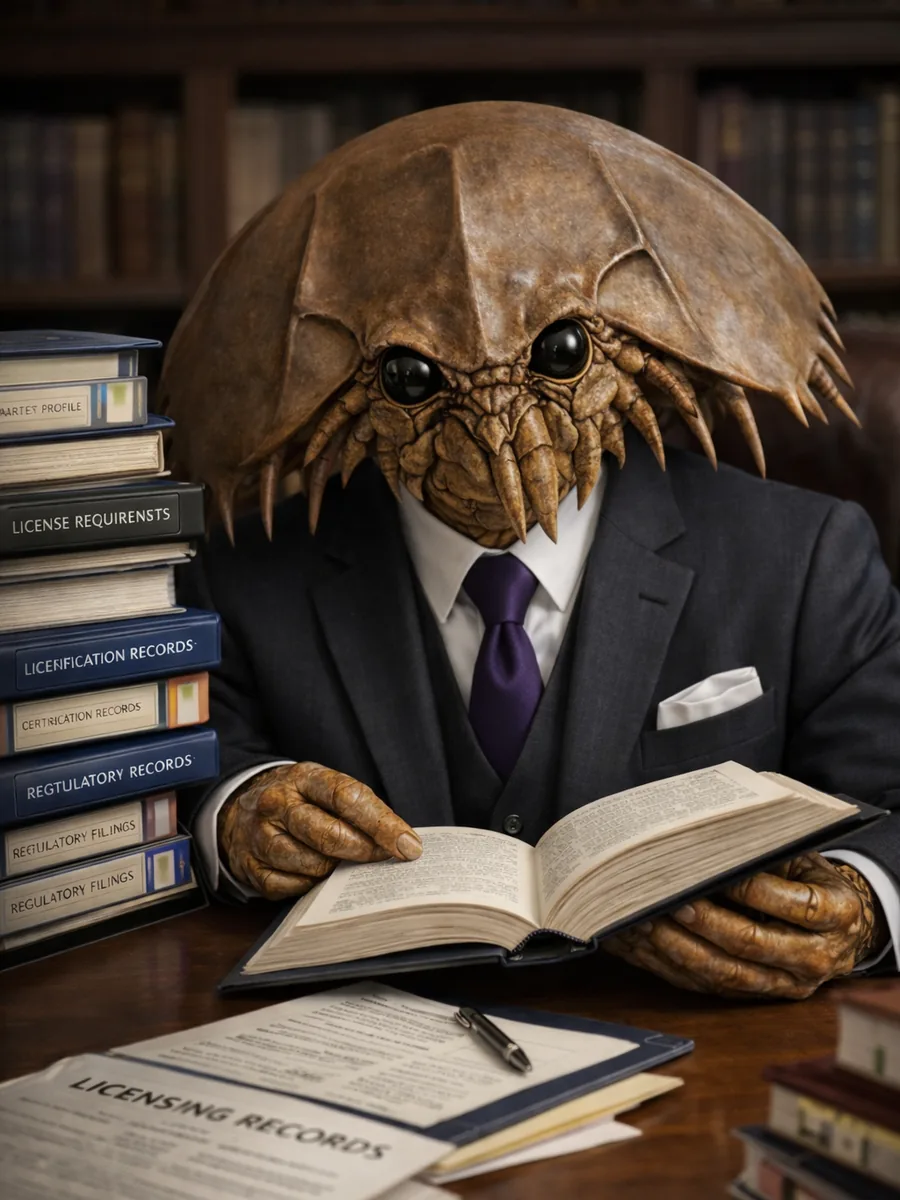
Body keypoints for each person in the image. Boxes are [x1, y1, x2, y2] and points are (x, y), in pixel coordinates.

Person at [166, 102, 900, 1000]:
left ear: (629, 343)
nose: (495, 434)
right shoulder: (245, 575)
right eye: (412, 380)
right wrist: (238, 810)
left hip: (709, 1050)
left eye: (558, 352)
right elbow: (181, 766)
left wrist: (864, 902)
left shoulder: (806, 557)